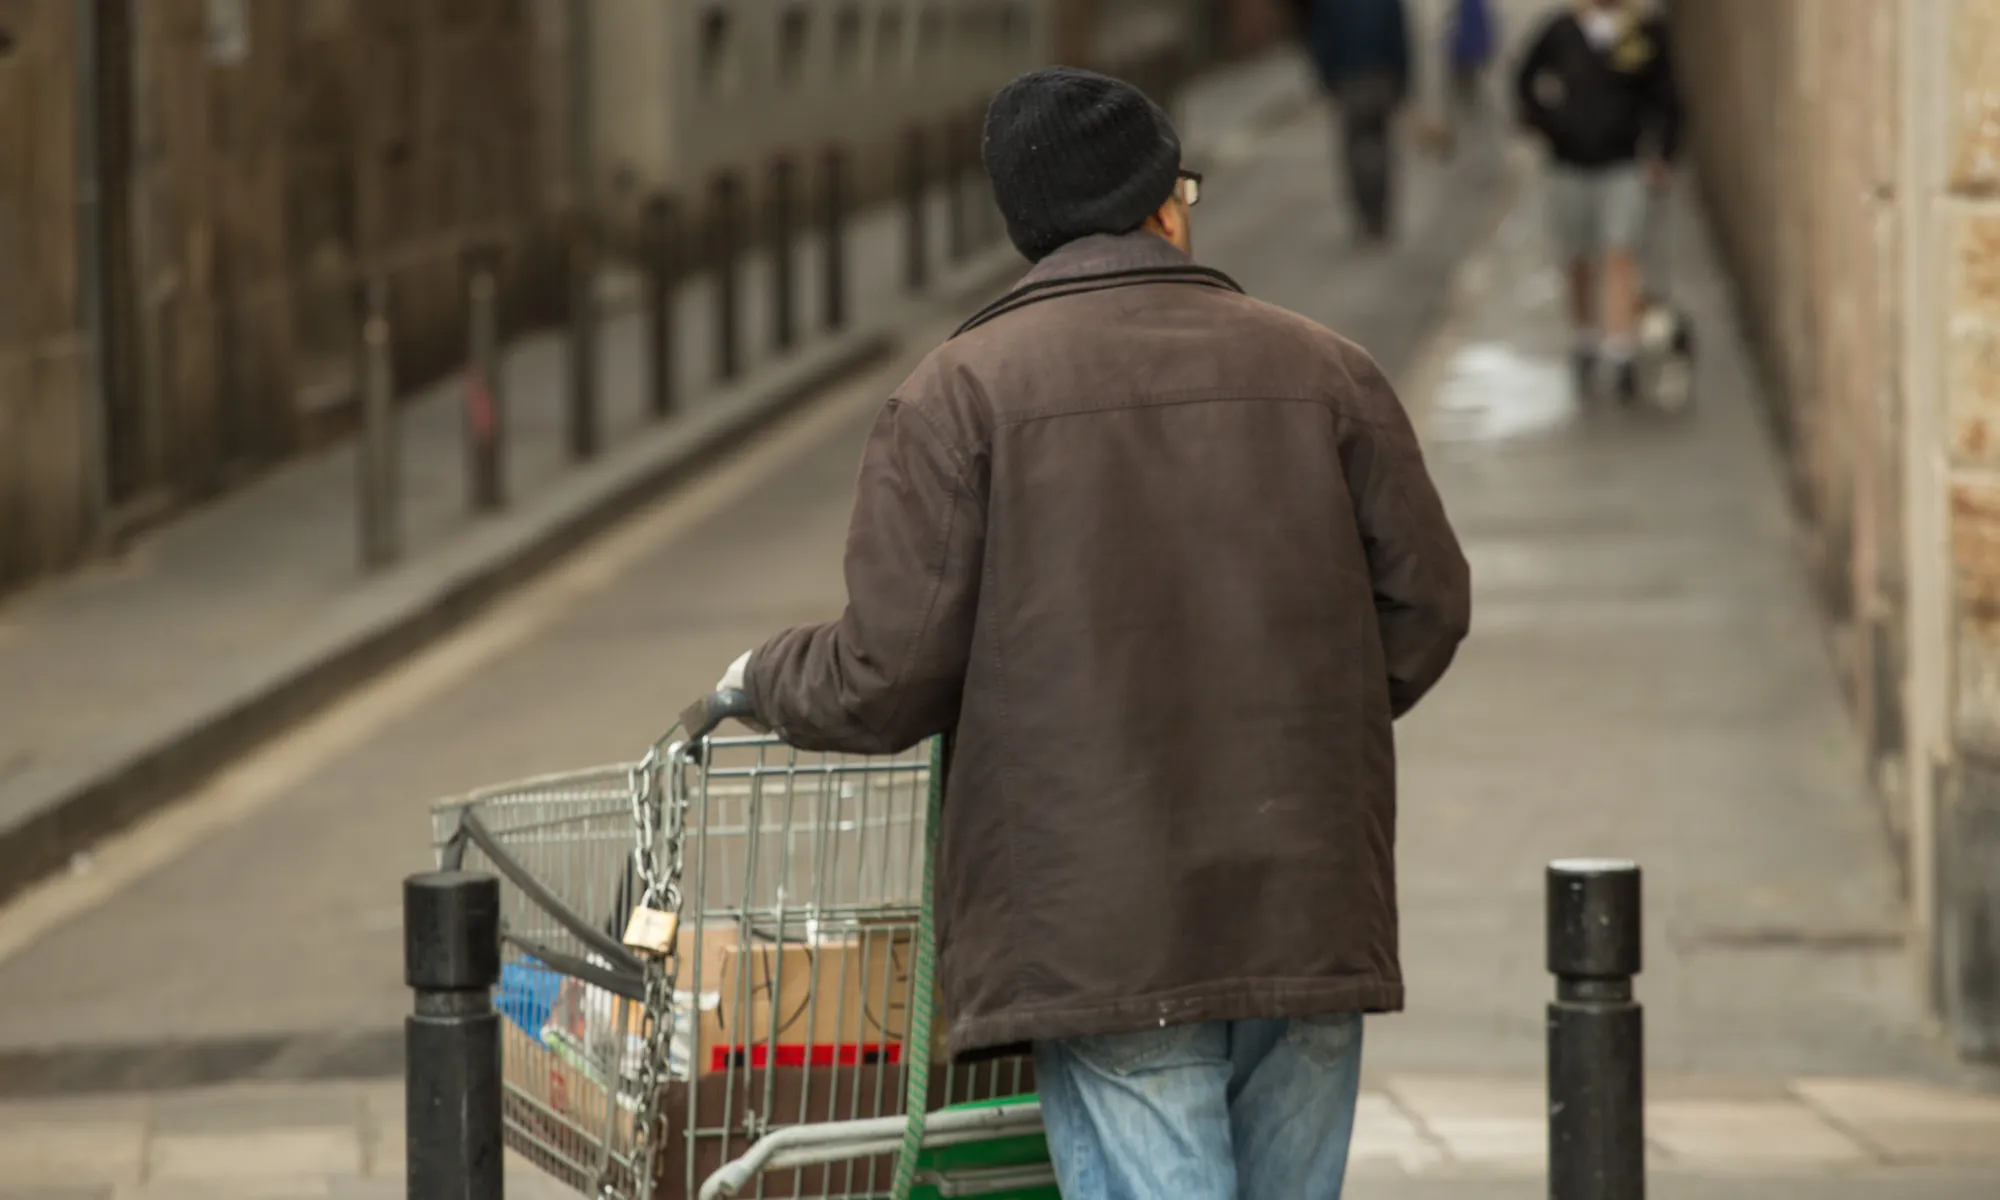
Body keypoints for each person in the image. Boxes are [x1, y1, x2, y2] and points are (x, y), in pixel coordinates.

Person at [714, 66, 1471, 1200]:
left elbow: (885, 672)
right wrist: (1301, 720)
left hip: (1105, 920)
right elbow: (1426, 605)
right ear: (1166, 204)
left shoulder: (955, 396)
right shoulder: (1325, 371)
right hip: (1305, 894)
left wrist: (756, 675)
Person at [1514, 0, 1683, 402]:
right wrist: (1547, 125)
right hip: (1569, 164)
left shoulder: (1642, 32)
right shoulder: (1560, 30)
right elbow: (1524, 81)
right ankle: (1586, 335)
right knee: (1577, 256)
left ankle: (1619, 348)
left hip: (1622, 163)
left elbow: (1667, 96)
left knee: (1619, 251)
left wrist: (1663, 152)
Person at [1292, 0, 1414, 240]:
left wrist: (1325, 77)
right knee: (1379, 144)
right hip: (1382, 77)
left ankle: (1365, 213)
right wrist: (1403, 79)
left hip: (1349, 81)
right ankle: (1380, 213)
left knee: (1355, 147)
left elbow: (1324, 39)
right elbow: (1399, 37)